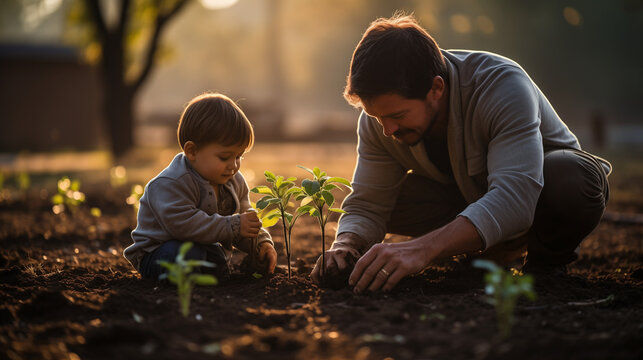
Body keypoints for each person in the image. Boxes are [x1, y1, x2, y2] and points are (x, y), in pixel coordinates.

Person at [310, 14, 611, 293]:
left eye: (398, 116)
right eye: (377, 117)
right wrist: (345, 247)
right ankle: (487, 251)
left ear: (436, 89)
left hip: (539, 200)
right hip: (468, 197)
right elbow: (368, 203)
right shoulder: (381, 120)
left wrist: (424, 249)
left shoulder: (501, 86)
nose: (387, 129)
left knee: (572, 179)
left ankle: (544, 267)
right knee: (388, 201)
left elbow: (517, 199)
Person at [124, 93, 277, 280]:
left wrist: (260, 243)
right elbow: (184, 226)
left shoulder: (234, 181)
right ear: (192, 151)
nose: (233, 165)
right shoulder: (170, 183)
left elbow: (245, 221)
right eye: (224, 157)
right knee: (186, 255)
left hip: (204, 247)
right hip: (158, 252)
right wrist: (234, 225)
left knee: (209, 258)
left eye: (239, 156)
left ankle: (211, 272)